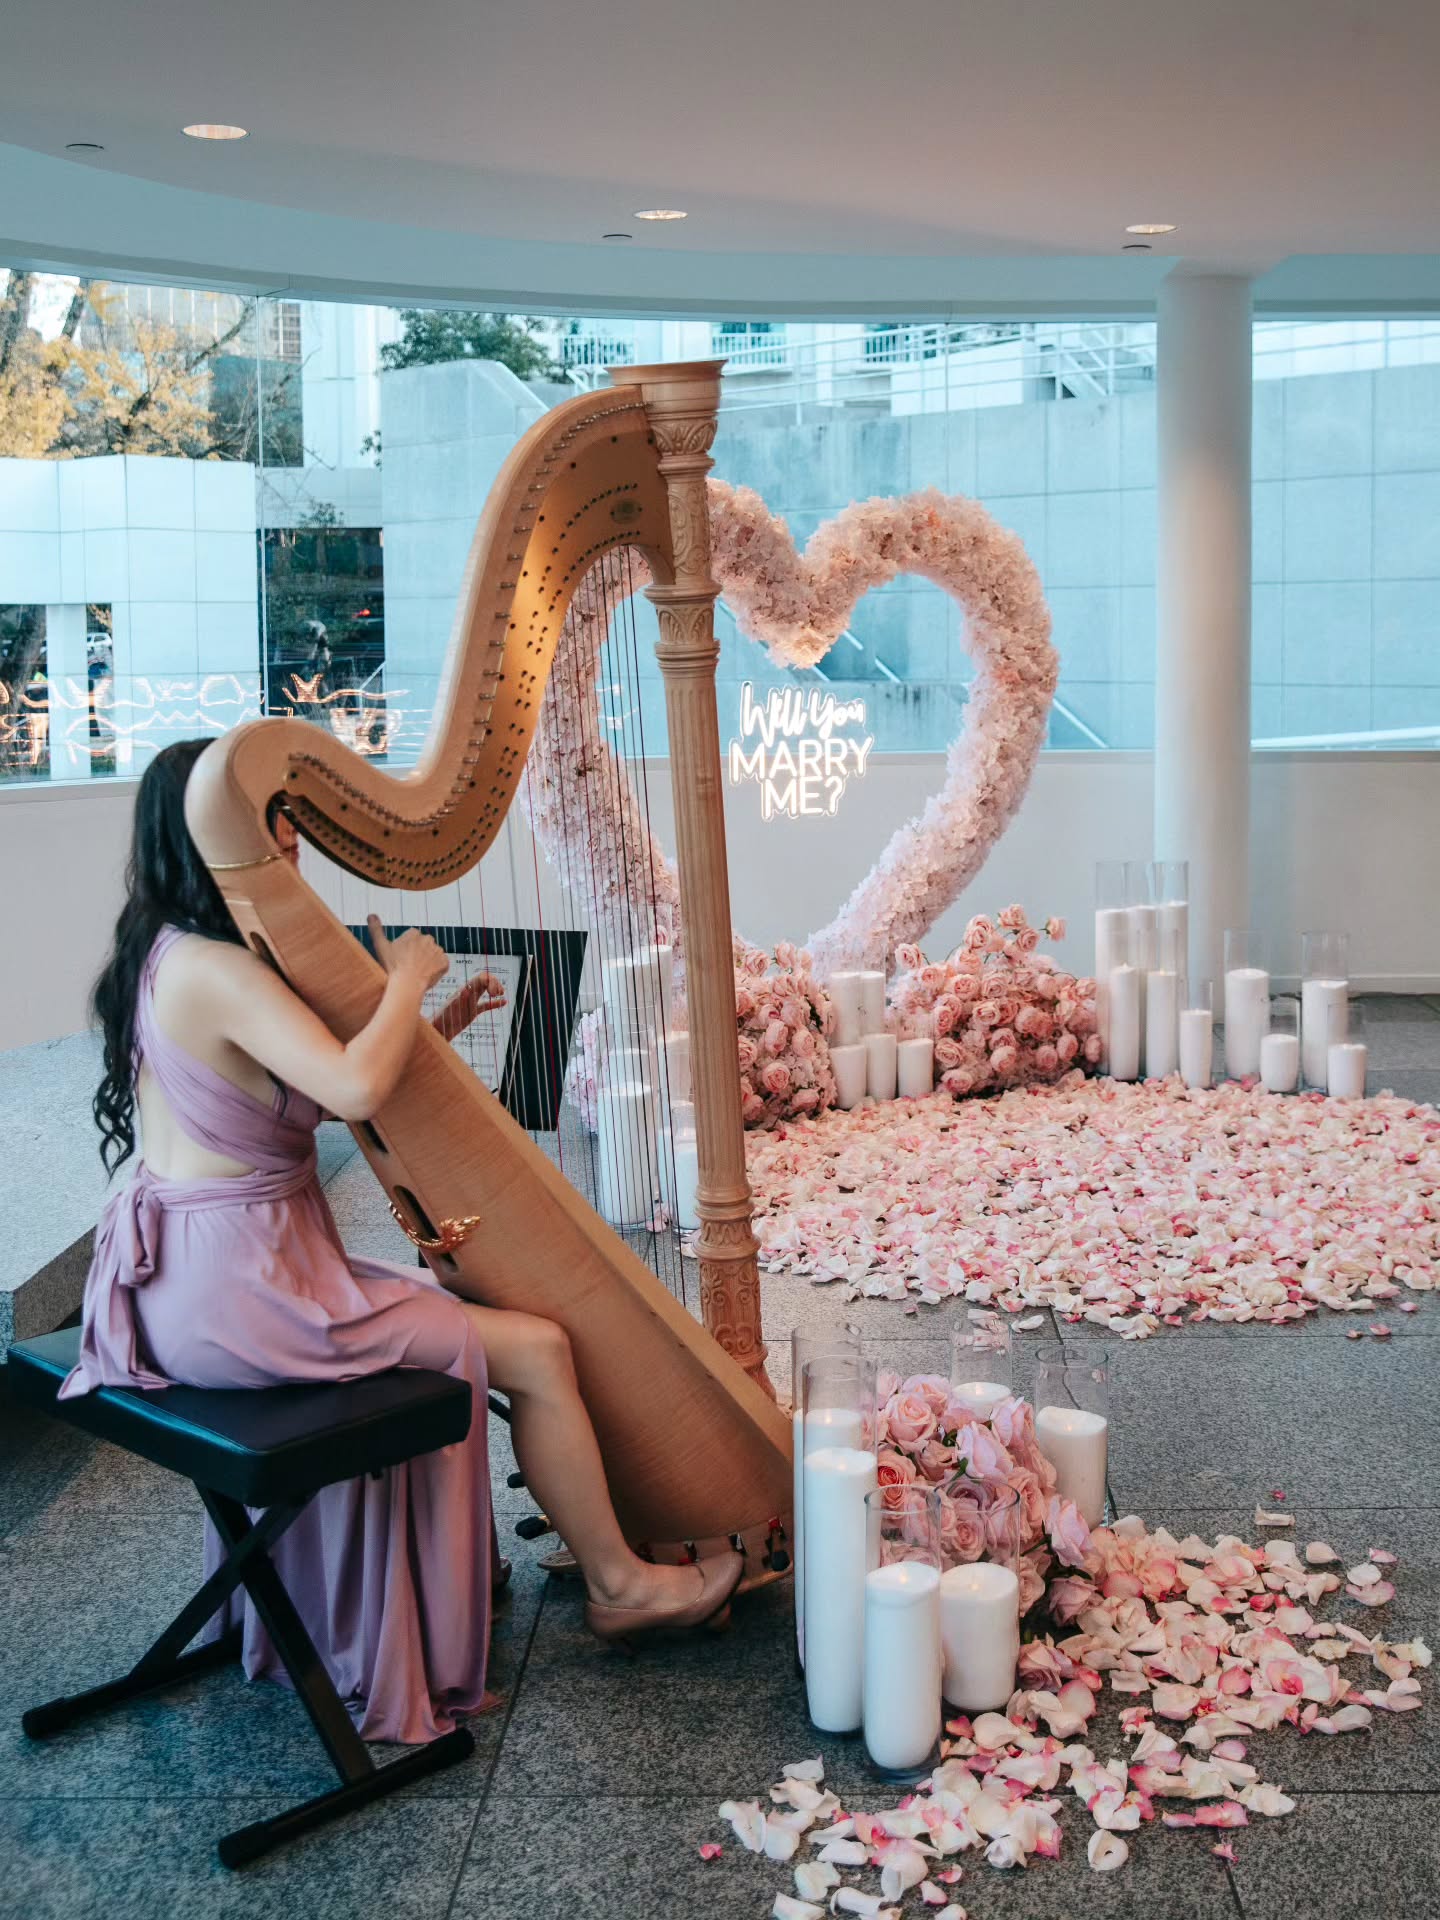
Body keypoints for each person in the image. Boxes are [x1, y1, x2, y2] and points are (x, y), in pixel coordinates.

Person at [61, 738, 742, 1746]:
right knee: (537, 1347)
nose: (292, 851)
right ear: (213, 839)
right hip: (245, 1296)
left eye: (288, 832)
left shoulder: (168, 951)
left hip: (215, 1280)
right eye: (274, 833)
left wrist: (430, 1018)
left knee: (471, 1315)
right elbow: (352, 1089)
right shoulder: (216, 968)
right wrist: (404, 980)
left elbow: (294, 1103)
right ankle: (621, 1582)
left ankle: (466, 1570)